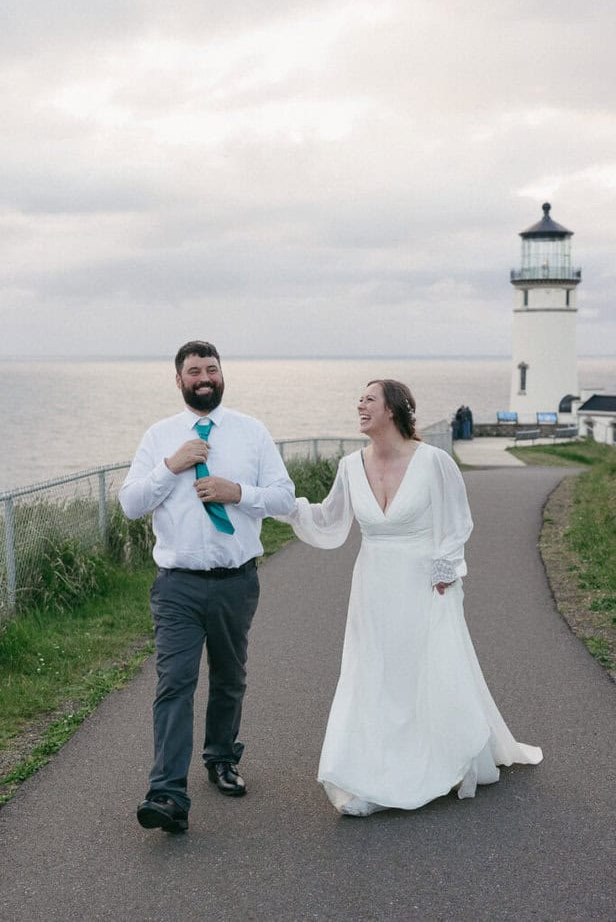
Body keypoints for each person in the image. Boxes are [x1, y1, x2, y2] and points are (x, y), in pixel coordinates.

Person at [278, 379, 542, 816]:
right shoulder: (349, 465)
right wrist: (278, 505)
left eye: (369, 400)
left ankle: (441, 755)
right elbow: (329, 519)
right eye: (359, 399)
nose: (359, 405)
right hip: (372, 584)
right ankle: (369, 771)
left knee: (426, 667)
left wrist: (444, 571)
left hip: (424, 581)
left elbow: (458, 521)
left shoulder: (434, 462)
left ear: (394, 410)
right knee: (373, 673)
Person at [120, 341, 295, 834]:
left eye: (211, 369)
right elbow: (131, 504)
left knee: (229, 676)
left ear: (222, 375)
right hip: (177, 585)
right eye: (193, 370)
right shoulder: (160, 438)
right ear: (178, 380)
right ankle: (167, 794)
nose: (203, 377)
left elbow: (283, 498)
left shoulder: (251, 433)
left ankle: (220, 758)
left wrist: (236, 492)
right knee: (175, 682)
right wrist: (170, 467)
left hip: (236, 582)